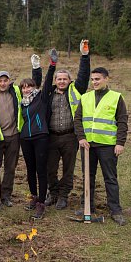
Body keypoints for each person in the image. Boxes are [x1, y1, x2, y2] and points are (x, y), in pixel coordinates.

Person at [74, 67, 128, 226]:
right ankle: (87, 207)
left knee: (110, 178)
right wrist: (81, 138)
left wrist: (120, 143)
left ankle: (115, 210)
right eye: (92, 79)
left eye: (97, 79)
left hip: (107, 145)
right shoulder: (85, 97)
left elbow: (122, 122)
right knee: (87, 177)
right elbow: (77, 120)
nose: (94, 82)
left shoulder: (116, 97)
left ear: (106, 79)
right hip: (88, 145)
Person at [43, 40, 91, 209]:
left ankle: (64, 195)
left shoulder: (75, 90)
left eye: (65, 79)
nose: (62, 81)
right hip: (51, 137)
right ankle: (53, 193)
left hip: (70, 136)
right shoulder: (48, 93)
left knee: (68, 169)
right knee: (50, 169)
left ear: (70, 81)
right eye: (59, 79)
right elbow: (46, 80)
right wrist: (52, 65)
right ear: (55, 81)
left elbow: (84, 75)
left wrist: (84, 56)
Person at [0, 69, 40, 207]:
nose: (3, 83)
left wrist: (36, 68)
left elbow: (33, 86)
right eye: (0, 81)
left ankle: (6, 195)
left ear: (9, 81)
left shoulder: (16, 91)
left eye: (5, 80)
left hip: (14, 135)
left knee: (10, 167)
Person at [20, 49, 57, 219]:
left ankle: (42, 203)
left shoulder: (41, 98)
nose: (27, 89)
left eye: (29, 87)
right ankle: (34, 197)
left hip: (41, 137)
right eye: (24, 87)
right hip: (25, 139)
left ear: (34, 87)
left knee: (41, 170)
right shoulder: (22, 103)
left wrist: (51, 66)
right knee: (30, 169)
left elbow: (47, 82)